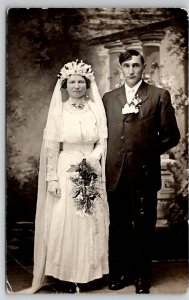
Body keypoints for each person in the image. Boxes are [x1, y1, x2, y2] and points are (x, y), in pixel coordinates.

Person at [16, 60, 109, 294]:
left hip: (91, 168)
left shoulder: (94, 108)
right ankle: (66, 275)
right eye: (72, 82)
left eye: (81, 81)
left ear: (87, 84)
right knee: (65, 220)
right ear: (66, 85)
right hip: (65, 166)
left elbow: (102, 140)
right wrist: (52, 178)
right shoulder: (59, 110)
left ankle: (89, 274)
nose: (77, 85)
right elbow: (51, 146)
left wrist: (94, 157)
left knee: (90, 220)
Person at [102, 49, 180, 294]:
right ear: (121, 69)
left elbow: (171, 135)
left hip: (144, 173)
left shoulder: (158, 96)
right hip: (115, 171)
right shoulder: (108, 98)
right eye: (127, 66)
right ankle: (119, 274)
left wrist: (146, 151)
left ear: (143, 67)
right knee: (118, 226)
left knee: (144, 227)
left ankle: (142, 277)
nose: (131, 70)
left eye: (136, 65)